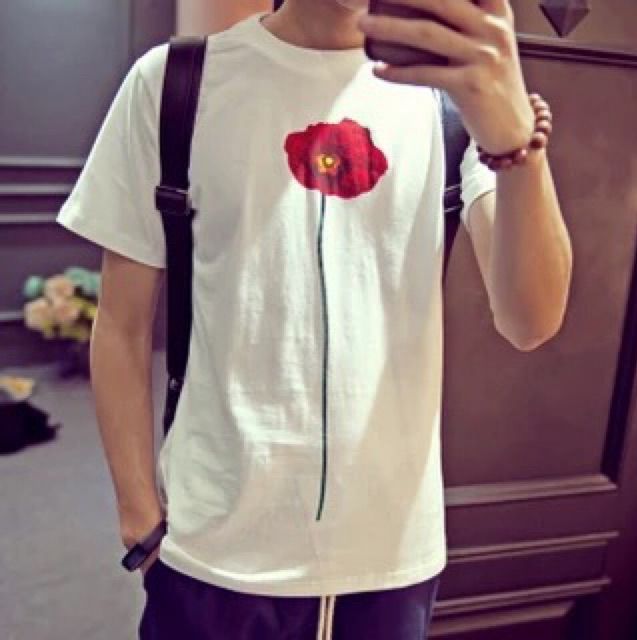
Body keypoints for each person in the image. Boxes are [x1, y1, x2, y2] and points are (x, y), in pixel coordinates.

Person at [56, 0, 572, 638]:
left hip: (388, 556)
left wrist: (515, 139)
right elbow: (122, 324)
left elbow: (531, 320)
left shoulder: (449, 100)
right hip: (212, 547)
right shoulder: (174, 83)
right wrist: (139, 514)